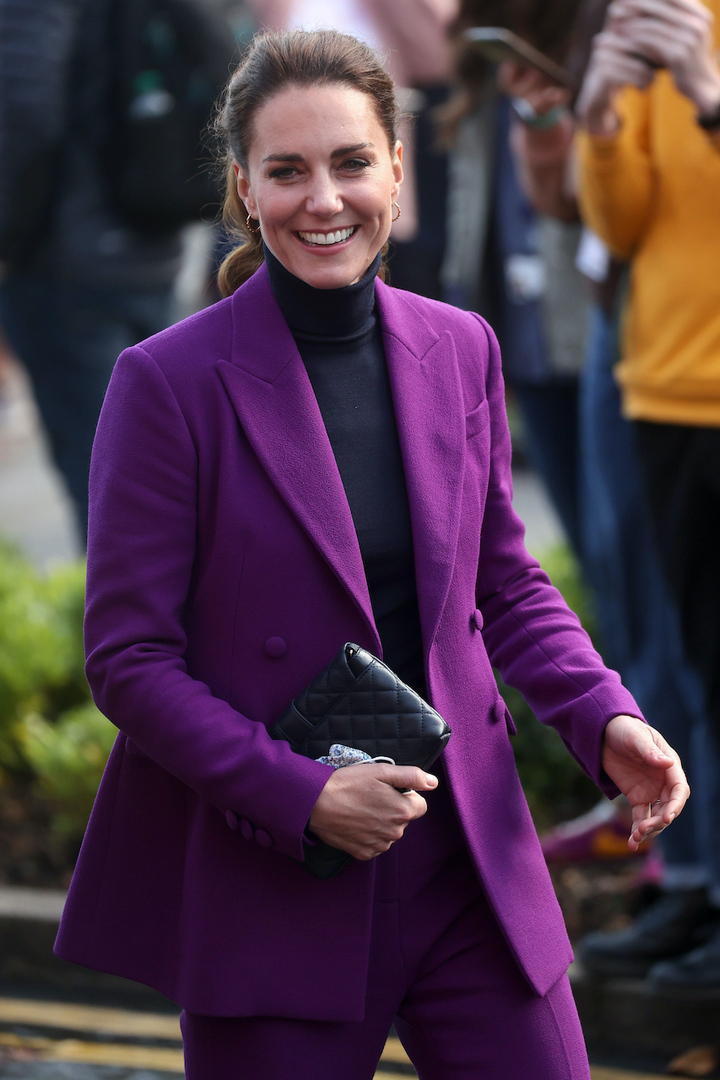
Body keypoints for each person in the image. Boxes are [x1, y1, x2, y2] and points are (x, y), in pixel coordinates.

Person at [55, 29, 689, 1078]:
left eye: (351, 162)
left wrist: (603, 716)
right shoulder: (167, 384)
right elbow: (129, 661)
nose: (324, 200)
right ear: (245, 188)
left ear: (397, 166)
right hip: (275, 875)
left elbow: (502, 582)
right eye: (287, 171)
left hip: (467, 865)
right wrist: (299, 794)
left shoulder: (462, 346)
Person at [572, 0, 720, 988]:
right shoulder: (667, 17)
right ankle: (700, 894)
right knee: (702, 665)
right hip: (665, 388)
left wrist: (707, 90)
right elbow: (620, 225)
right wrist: (599, 119)